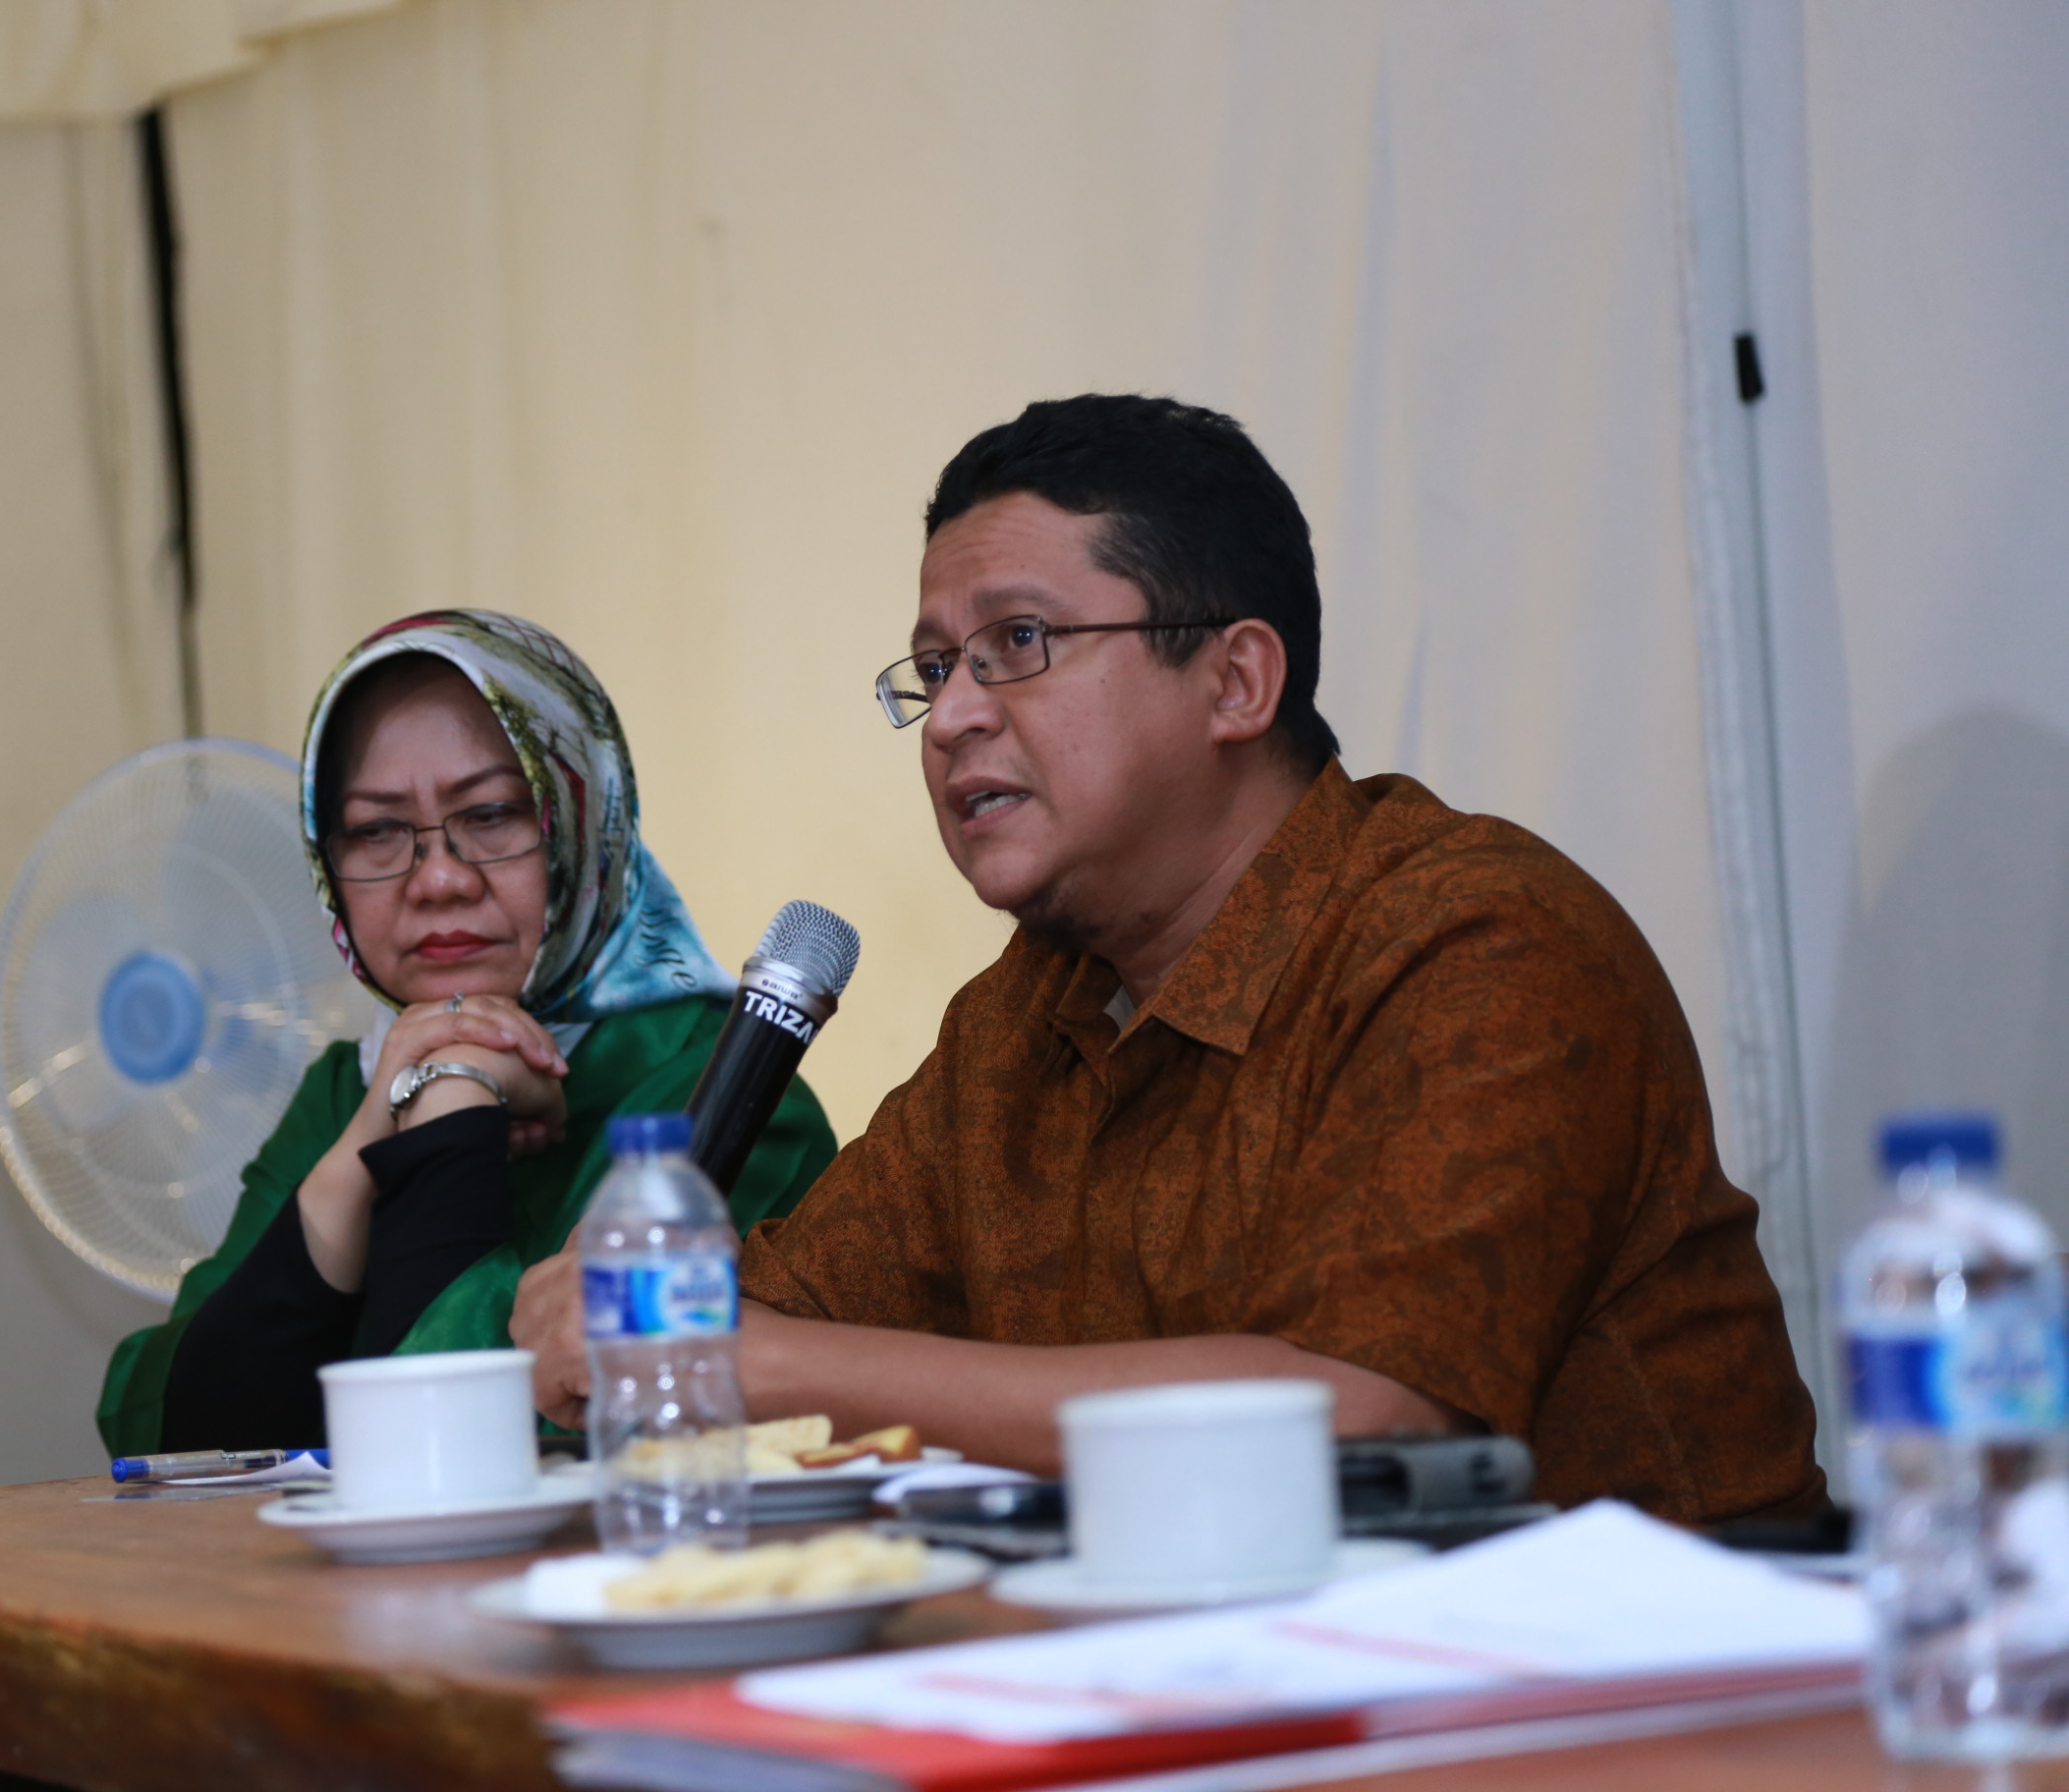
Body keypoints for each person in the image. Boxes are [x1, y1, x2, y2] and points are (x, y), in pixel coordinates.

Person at [514, 395, 1824, 1524]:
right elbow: (782, 1320)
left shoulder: (1479, 941)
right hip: (1203, 1668)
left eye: (1018, 644)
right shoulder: (1018, 1023)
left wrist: (739, 1361)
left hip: (1631, 1689)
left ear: (1236, 681)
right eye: (934, 668)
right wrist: (642, 1324)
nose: (952, 714)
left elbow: (1368, 1415)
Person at [99, 610, 836, 1455]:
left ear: (583, 818)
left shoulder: (721, 1093)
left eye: (491, 815)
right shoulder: (350, 1087)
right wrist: (361, 1152)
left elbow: (495, 1440)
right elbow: (180, 1432)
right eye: (377, 831)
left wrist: (451, 1097)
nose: (439, 879)